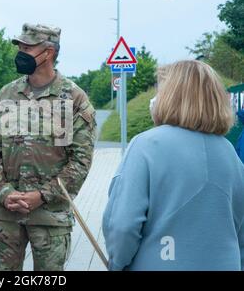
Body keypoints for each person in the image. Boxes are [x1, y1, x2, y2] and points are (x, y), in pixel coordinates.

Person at [102, 60, 244, 271]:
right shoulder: (230, 153)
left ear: (171, 96)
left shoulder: (145, 145)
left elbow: (123, 226)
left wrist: (117, 264)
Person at [0, 23, 96, 271]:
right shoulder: (7, 94)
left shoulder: (73, 98)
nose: (21, 52)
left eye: (28, 47)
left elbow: (81, 160)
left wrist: (42, 196)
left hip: (50, 218)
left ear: (49, 53)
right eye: (20, 46)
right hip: (5, 216)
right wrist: (3, 192)